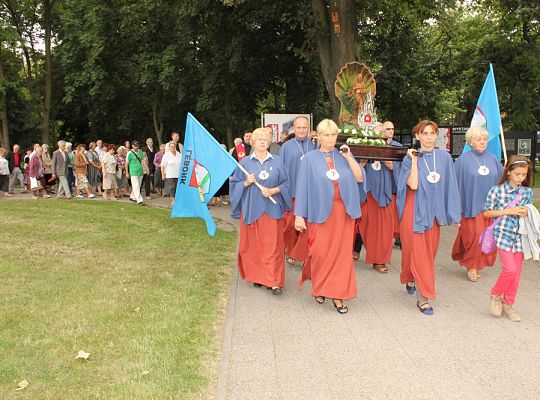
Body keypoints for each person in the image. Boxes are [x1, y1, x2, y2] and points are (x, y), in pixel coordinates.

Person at [294, 119, 364, 314]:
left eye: (333, 135)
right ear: (318, 136)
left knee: (341, 256)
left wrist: (349, 157)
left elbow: (359, 177)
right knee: (320, 253)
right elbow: (302, 187)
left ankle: (338, 295)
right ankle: (321, 286)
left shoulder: (343, 156)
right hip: (320, 212)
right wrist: (299, 215)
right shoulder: (309, 159)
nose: (330, 139)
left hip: (343, 213)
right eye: (326, 135)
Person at [397, 120, 461, 315]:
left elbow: (451, 185)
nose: (429, 137)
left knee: (428, 252)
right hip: (414, 210)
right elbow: (413, 185)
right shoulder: (410, 158)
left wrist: (454, 213)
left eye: (432, 133)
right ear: (418, 136)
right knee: (420, 253)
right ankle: (423, 298)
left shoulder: (444, 157)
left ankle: (409, 276)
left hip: (434, 211)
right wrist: (415, 160)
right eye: (424, 133)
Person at [230, 127, 291, 295]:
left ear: (269, 142)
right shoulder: (244, 164)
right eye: (259, 140)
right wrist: (246, 183)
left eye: (265, 139)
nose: (262, 142)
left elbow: (286, 184)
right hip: (252, 209)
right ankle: (257, 277)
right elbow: (234, 185)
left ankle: (274, 282)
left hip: (272, 209)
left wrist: (273, 191)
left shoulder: (277, 161)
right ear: (253, 142)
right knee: (254, 246)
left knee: (273, 247)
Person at [485, 156, 534, 322]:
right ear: (508, 173)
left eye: (524, 174)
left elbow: (529, 211)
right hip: (503, 234)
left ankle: (509, 303)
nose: (521, 178)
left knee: (517, 273)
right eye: (518, 174)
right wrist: (508, 211)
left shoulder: (527, 192)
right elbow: (487, 213)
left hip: (520, 236)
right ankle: (495, 294)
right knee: (510, 269)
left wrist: (527, 212)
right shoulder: (496, 191)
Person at [451, 127, 503, 282]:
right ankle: (472, 265)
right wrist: (455, 211)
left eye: (484, 139)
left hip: (491, 207)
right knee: (474, 237)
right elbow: (455, 186)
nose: (482, 142)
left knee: (488, 237)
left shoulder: (493, 158)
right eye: (478, 139)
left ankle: (477, 262)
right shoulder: (462, 161)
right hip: (471, 206)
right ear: (471, 141)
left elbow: (501, 183)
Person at [358, 122, 401, 273]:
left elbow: (398, 170)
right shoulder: (364, 148)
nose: (378, 137)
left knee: (384, 228)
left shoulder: (391, 150)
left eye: (381, 133)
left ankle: (380, 259)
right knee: (366, 226)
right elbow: (357, 170)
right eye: (375, 134)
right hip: (368, 194)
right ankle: (371, 253)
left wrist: (387, 160)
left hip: (385, 194)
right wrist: (364, 157)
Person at [278, 116, 316, 266]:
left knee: (307, 225)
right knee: (290, 225)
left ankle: (302, 253)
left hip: (310, 193)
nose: (301, 130)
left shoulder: (314, 146)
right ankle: (290, 250)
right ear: (294, 128)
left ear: (308, 128)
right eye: (299, 127)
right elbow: (280, 170)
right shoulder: (286, 147)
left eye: (304, 127)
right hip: (292, 192)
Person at [383, 120, 404, 248]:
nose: (391, 131)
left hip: (395, 182)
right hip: (381, 184)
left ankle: (399, 237)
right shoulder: (376, 145)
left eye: (392, 129)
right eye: (388, 129)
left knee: (396, 212)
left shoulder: (398, 146)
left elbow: (401, 166)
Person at [160, 141, 182, 207]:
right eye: (171, 146)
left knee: (177, 188)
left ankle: (177, 200)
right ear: (169, 147)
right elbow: (162, 165)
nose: (172, 147)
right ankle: (173, 200)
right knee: (172, 187)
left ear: (175, 147)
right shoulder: (167, 155)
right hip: (170, 174)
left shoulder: (179, 154)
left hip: (178, 174)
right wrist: (163, 174)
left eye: (174, 146)